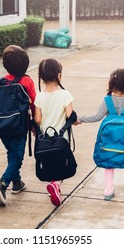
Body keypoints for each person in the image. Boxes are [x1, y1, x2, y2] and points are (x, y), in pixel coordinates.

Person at [75, 68, 124, 201]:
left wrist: (80, 119)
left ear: (112, 83)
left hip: (108, 141)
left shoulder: (107, 101)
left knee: (109, 163)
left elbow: (97, 116)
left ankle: (108, 191)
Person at [0, 45, 36, 206]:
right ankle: (3, 184)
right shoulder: (27, 81)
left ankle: (17, 182)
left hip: (1, 126)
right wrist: (35, 125)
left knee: (11, 152)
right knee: (17, 157)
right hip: (19, 126)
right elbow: (34, 103)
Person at [34, 58, 74, 207]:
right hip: (60, 140)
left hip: (45, 139)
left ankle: (53, 184)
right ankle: (56, 185)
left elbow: (37, 120)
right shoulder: (65, 94)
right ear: (59, 75)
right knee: (60, 164)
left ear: (41, 78)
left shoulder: (39, 96)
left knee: (49, 162)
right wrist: (76, 121)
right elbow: (71, 116)